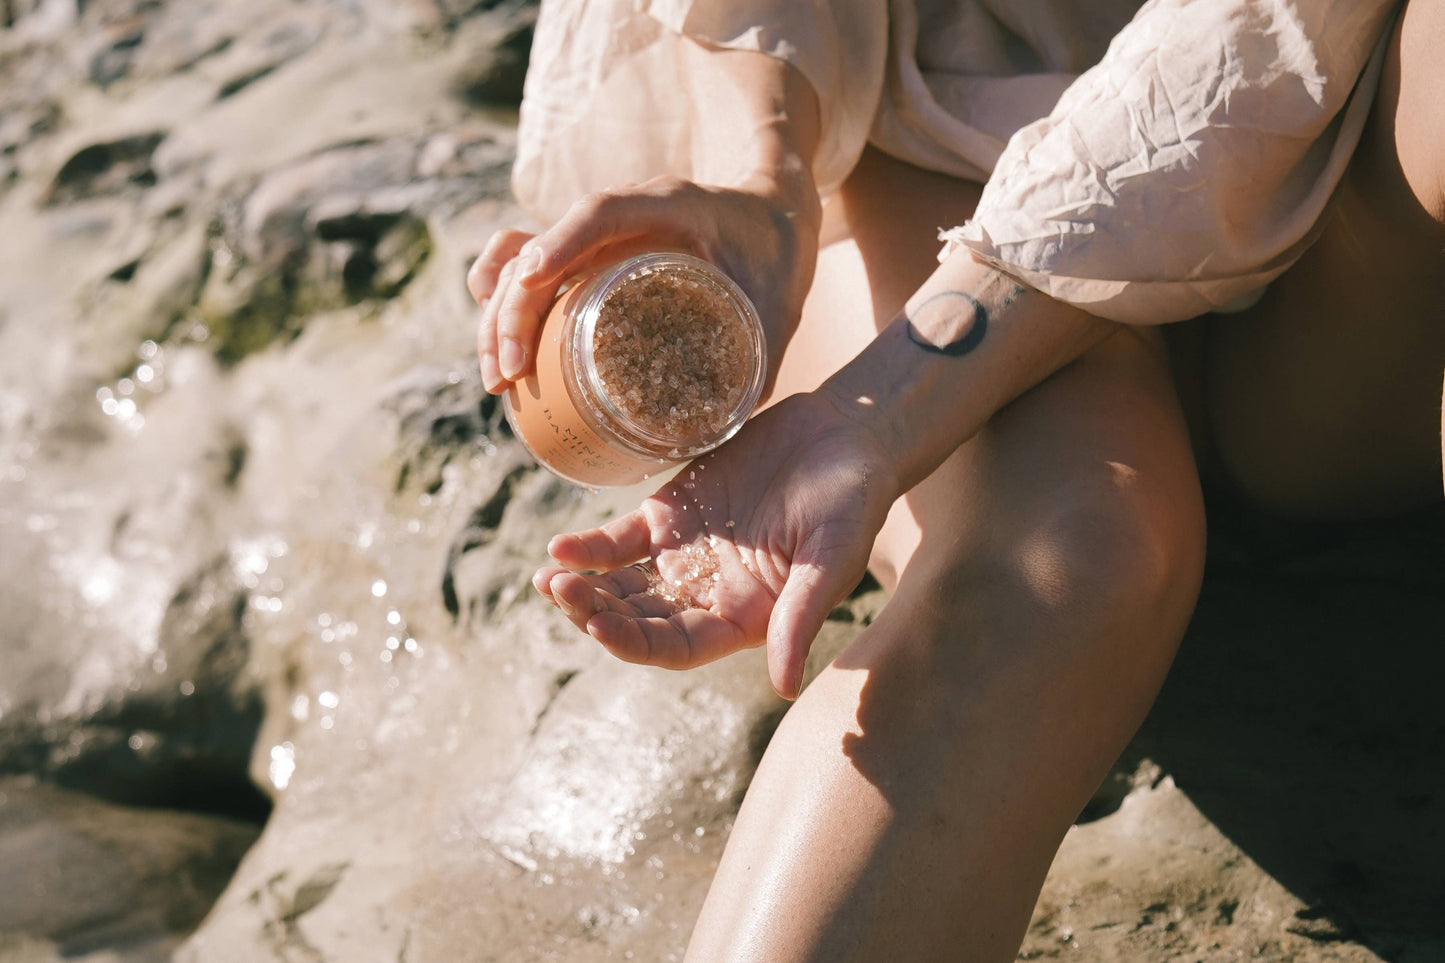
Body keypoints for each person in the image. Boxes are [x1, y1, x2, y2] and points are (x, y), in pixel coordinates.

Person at [468, 0, 1445, 958]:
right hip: (929, 126)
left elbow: (1254, 43)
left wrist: (890, 402)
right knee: (1058, 558)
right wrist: (763, 181)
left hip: (1345, 268)